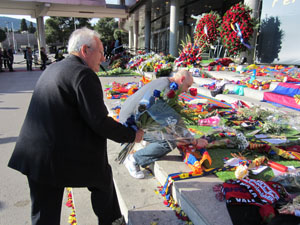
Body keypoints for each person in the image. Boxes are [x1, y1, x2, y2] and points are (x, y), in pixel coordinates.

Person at [8, 27, 144, 225]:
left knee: (44, 216)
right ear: (85, 50)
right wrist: (131, 135)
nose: (103, 57)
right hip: (54, 155)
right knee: (101, 178)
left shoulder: (55, 67)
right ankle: (112, 221)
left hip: (35, 154)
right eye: (101, 51)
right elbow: (99, 121)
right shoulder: (83, 74)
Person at [119, 70, 208, 179]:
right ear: (182, 79)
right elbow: (172, 121)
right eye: (187, 86)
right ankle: (134, 159)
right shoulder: (165, 90)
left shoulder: (164, 81)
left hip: (132, 118)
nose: (186, 90)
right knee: (170, 141)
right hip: (130, 125)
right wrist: (194, 141)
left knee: (173, 135)